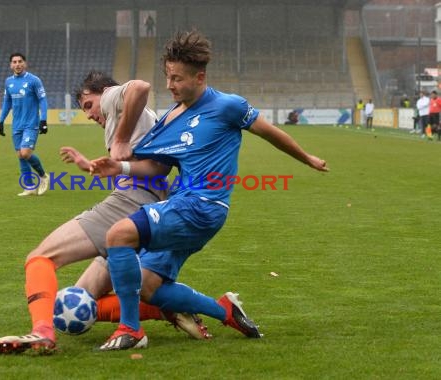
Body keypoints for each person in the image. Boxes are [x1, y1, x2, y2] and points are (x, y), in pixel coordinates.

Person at [89, 30, 328, 351]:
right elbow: (150, 163)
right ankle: (224, 310)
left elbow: (270, 133)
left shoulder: (227, 106)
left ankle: (130, 330)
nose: (170, 85)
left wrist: (307, 158)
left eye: (177, 78)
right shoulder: (171, 118)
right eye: (168, 77)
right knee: (148, 286)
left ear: (199, 77)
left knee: (118, 235)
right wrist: (118, 166)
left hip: (203, 206)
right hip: (180, 205)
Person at [0, 71, 215, 355]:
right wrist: (90, 165)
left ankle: (41, 333)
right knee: (80, 300)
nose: (90, 114)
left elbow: (141, 85)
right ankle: (166, 310)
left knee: (40, 258)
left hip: (127, 204)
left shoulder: (112, 97)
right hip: (149, 208)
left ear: (103, 92)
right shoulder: (139, 118)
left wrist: (119, 140)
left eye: (88, 105)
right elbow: (148, 168)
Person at [0, 52, 49, 196]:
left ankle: (43, 175)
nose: (17, 64)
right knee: (20, 155)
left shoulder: (34, 80)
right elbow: (7, 102)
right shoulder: (8, 82)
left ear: (25, 63)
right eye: (14, 62)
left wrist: (43, 120)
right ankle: (29, 187)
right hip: (16, 125)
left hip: (31, 124)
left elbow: (42, 100)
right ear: (10, 65)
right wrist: (1, 121)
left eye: (20, 61)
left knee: (25, 153)